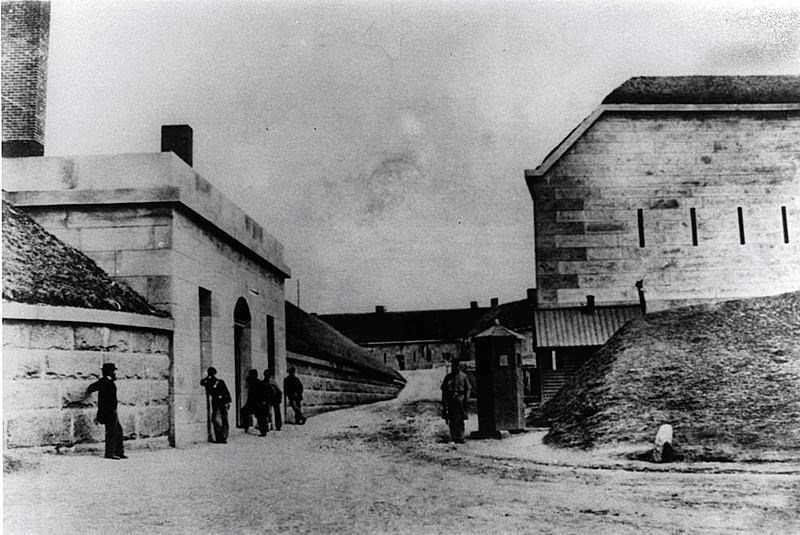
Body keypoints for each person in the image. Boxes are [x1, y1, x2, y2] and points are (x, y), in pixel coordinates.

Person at [86, 362, 127, 459]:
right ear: (109, 372)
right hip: (108, 412)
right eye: (113, 371)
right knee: (112, 432)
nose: (114, 373)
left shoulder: (106, 381)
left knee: (118, 431)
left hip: (112, 411)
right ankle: (110, 453)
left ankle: (118, 452)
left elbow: (92, 388)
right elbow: (91, 388)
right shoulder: (104, 381)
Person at [441, 359, 471, 444]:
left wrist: (466, 400)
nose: (456, 368)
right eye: (454, 366)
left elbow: (468, 389)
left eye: (457, 366)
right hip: (451, 399)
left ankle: (460, 437)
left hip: (461, 399)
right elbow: (444, 391)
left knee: (460, 419)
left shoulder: (463, 376)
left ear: (459, 366)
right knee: (452, 418)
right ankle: (454, 436)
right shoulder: (448, 377)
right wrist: (444, 403)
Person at [201, 367, 232, 443]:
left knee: (221, 419)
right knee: (217, 419)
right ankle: (221, 437)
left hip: (221, 402)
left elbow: (226, 392)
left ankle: (223, 437)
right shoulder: (209, 382)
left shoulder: (219, 382)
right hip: (219, 402)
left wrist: (228, 402)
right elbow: (202, 382)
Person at [242, 369, 270, 436]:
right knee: (260, 417)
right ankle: (262, 430)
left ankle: (262, 431)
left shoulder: (255, 383)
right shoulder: (257, 382)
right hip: (257, 403)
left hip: (257, 403)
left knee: (260, 417)